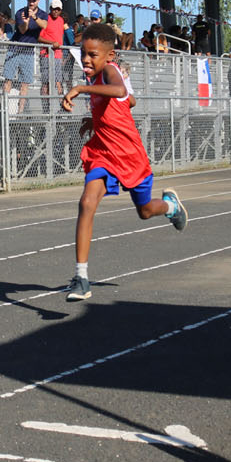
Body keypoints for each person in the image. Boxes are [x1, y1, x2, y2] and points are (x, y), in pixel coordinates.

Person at [60, 22, 188, 301]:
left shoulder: (109, 72)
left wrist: (80, 88)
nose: (85, 59)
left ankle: (170, 206)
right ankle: (81, 278)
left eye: (93, 54)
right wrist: (93, 120)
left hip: (129, 156)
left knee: (144, 211)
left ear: (109, 56)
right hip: (103, 153)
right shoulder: (97, 78)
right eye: (83, 53)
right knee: (86, 202)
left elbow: (120, 93)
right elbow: (126, 103)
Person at [2, 0, 46, 113]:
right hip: (14, 49)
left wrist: (35, 17)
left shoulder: (43, 14)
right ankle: (5, 108)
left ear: (38, 1)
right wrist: (26, 21)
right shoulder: (20, 12)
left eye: (34, 1)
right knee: (8, 79)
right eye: (29, 0)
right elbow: (22, 30)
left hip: (28, 52)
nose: (31, 3)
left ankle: (20, 111)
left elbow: (45, 25)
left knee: (25, 83)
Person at [38, 0, 68, 105]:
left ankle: (62, 106)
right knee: (46, 83)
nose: (56, 11)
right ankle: (46, 108)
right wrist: (51, 43)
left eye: (58, 9)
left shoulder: (61, 20)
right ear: (50, 8)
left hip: (58, 55)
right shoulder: (45, 19)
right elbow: (39, 38)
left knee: (59, 82)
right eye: (54, 9)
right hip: (46, 55)